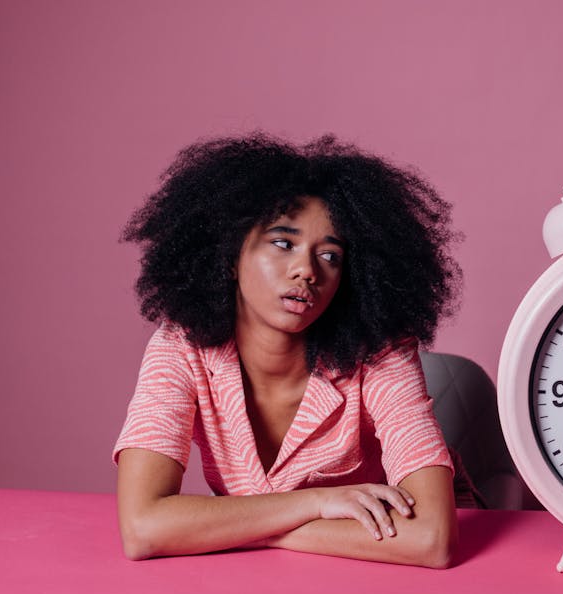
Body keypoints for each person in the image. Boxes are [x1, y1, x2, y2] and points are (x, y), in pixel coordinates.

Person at [114, 133, 462, 568]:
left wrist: (247, 528)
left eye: (331, 256)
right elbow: (144, 527)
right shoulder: (182, 348)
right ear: (229, 255)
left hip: (382, 572)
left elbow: (430, 538)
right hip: (277, 574)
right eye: (283, 243)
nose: (307, 270)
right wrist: (316, 504)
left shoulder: (381, 353)